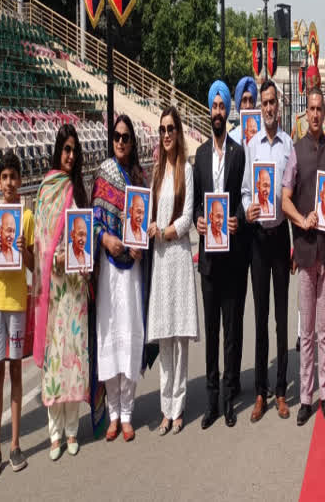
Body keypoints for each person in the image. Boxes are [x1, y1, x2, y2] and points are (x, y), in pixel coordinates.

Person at [93, 115, 156, 442]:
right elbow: (93, 220)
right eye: (117, 136)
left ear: (133, 142)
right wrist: (105, 239)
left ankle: (128, 412)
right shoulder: (103, 174)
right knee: (109, 335)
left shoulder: (140, 177)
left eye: (126, 137)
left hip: (132, 270)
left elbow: (146, 224)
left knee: (130, 333)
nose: (120, 141)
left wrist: (140, 246)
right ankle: (113, 412)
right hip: (108, 269)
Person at [32, 125, 93, 461]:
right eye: (65, 149)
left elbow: (85, 230)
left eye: (74, 150)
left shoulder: (77, 189)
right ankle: (54, 431)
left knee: (74, 357)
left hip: (76, 287)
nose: (70, 156)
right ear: (58, 151)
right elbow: (41, 234)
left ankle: (72, 429)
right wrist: (52, 255)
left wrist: (79, 256)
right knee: (56, 359)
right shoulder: (47, 188)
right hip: (55, 287)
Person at [280, 87, 325, 424]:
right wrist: (303, 220)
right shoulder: (296, 151)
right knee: (307, 330)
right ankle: (305, 397)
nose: (315, 115)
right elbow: (284, 198)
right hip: (304, 249)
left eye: (320, 110)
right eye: (311, 109)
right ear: (306, 113)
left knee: (324, 328)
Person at [194, 80, 247, 428]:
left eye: (221, 106)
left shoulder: (238, 153)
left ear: (228, 112)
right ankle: (211, 400)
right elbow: (198, 200)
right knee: (211, 330)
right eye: (213, 106)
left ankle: (230, 397)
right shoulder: (198, 155)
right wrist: (200, 219)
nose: (217, 111)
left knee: (232, 330)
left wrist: (236, 219)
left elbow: (243, 199)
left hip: (233, 255)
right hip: (208, 258)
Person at [242, 78, 295, 421]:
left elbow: (293, 190)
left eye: (273, 102)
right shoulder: (252, 147)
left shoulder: (288, 145)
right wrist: (248, 207)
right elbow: (247, 189)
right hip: (259, 239)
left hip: (281, 238)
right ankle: (260, 391)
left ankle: (279, 390)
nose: (269, 108)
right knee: (260, 317)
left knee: (280, 318)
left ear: (280, 105)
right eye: (264, 103)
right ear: (260, 108)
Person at [146, 107, 199, 435]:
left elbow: (187, 216)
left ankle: (178, 406)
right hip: (160, 263)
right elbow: (147, 214)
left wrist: (163, 232)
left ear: (178, 133)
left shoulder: (185, 171)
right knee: (164, 337)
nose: (166, 135)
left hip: (178, 257)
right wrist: (148, 226)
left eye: (171, 129)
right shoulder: (155, 173)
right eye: (162, 129)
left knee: (179, 338)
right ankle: (164, 408)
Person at [0, 152, 35, 478]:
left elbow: (31, 265)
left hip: (17, 301)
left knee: (15, 370)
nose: (9, 183)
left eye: (14, 177)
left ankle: (15, 444)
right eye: (4, 177)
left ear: (20, 180)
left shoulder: (26, 218)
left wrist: (24, 247)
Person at [294, 66, 325, 140]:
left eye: (315, 90)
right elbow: (295, 148)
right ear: (306, 93)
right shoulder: (300, 120)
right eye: (310, 91)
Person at [228, 76, 258, 146]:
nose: (248, 106)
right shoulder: (231, 137)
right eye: (244, 100)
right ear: (239, 104)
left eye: (251, 100)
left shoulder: (262, 135)